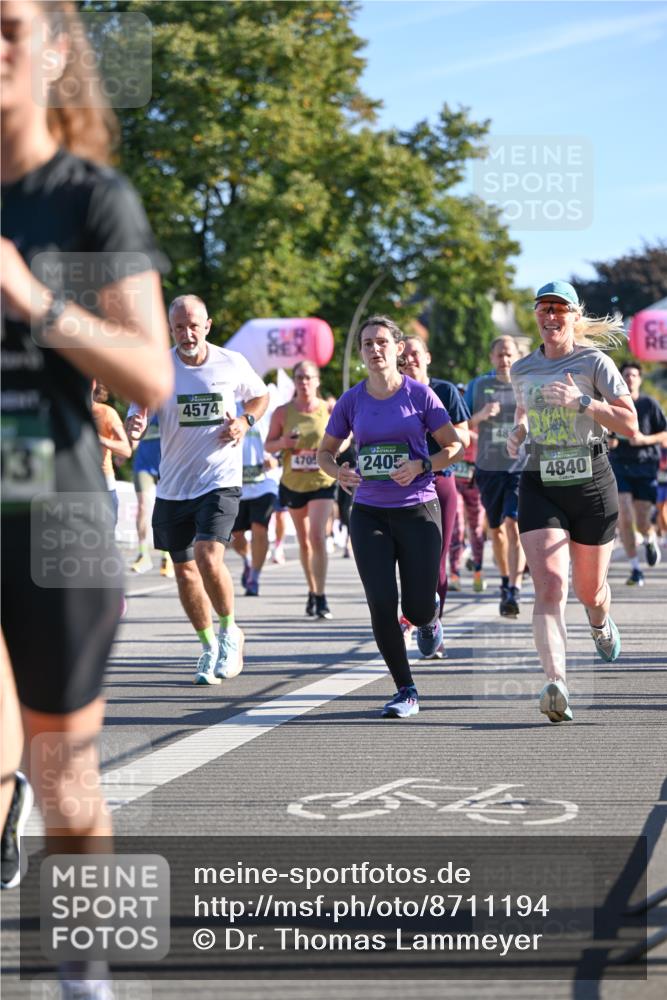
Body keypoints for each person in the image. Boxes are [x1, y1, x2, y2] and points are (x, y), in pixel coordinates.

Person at [1, 7, 172, 1000]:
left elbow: (150, 374)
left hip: (55, 519)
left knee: (67, 781)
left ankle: (85, 974)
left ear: (55, 54)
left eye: (12, 26)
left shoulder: (87, 201)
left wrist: (34, 301)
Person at [317, 316, 463, 719]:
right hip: (369, 512)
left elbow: (456, 446)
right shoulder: (352, 400)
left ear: (399, 349)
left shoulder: (421, 396)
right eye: (367, 343)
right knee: (382, 603)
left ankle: (429, 616)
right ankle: (405, 689)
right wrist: (338, 471)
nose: (374, 349)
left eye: (382, 342)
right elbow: (325, 453)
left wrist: (421, 465)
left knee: (415, 608)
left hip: (418, 508)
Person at [507, 281, 637, 724]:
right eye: (545, 309)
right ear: (537, 315)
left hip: (591, 480)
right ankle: (556, 682)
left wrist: (582, 401)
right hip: (540, 477)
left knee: (589, 592)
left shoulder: (594, 362)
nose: (551, 316)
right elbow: (526, 411)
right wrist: (519, 432)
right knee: (549, 586)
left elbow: (629, 422)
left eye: (560, 310)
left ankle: (600, 623)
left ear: (575, 317)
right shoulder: (522, 369)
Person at [127, 295, 269, 684]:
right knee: (185, 573)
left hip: (219, 479)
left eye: (194, 325)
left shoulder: (231, 363)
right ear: (170, 329)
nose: (187, 333)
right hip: (174, 484)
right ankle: (207, 646)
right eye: (179, 327)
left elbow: (260, 394)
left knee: (208, 557)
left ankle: (229, 631)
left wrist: (245, 420)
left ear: (207, 325)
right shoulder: (159, 365)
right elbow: (138, 406)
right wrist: (136, 423)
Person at [400, 335, 470, 657]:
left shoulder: (445, 391)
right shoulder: (392, 392)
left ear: (427, 357)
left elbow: (464, 437)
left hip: (438, 480)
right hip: (400, 485)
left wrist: (435, 431)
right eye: (405, 354)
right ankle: (407, 615)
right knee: (402, 557)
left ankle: (432, 624)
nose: (410, 359)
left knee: (435, 561)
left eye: (416, 353)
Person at [265, 361, 337, 619]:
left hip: (322, 482)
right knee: (305, 542)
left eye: (308, 377)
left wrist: (337, 448)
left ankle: (321, 596)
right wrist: (284, 442)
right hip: (294, 484)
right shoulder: (283, 412)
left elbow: (346, 436)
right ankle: (312, 589)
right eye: (299, 378)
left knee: (317, 537)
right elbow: (269, 445)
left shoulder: (328, 410)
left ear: (317, 381)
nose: (303, 382)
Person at [470, 336, 527, 617]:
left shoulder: (525, 385)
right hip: (489, 466)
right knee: (496, 530)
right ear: (492, 358)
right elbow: (460, 424)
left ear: (517, 356)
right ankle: (505, 579)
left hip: (519, 465)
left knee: (513, 523)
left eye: (509, 355)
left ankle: (513, 589)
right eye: (500, 355)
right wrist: (481, 415)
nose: (504, 360)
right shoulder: (480, 386)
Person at [608, 361, 667, 586]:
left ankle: (650, 538)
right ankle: (635, 569)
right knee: (624, 515)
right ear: (621, 379)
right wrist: (610, 442)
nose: (630, 378)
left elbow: (664, 435)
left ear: (640, 379)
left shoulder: (649, 404)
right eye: (626, 375)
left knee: (642, 520)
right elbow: (606, 436)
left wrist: (645, 439)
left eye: (634, 375)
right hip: (620, 466)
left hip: (645, 466)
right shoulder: (614, 405)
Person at [230, 402, 280, 596]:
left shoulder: (268, 407)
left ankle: (255, 577)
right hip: (235, 483)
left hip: (265, 483)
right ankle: (248, 561)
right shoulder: (229, 404)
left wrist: (275, 458)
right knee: (236, 535)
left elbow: (278, 441)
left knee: (260, 528)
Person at [127, 414, 174, 577]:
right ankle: (143, 555)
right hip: (144, 466)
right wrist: (126, 446)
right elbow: (132, 440)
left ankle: (167, 555)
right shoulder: (140, 408)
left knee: (166, 509)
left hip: (167, 465)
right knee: (142, 507)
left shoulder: (170, 402)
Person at [448, 425, 487, 592]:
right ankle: (454, 575)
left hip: (476, 476)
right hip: (455, 474)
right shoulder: (456, 409)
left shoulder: (483, 405)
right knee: (456, 528)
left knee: (476, 527)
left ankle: (478, 573)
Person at [91, 380, 132, 524]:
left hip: (104, 486)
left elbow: (126, 449)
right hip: (74, 486)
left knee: (103, 542)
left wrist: (101, 440)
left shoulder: (107, 413)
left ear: (93, 385)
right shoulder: (66, 411)